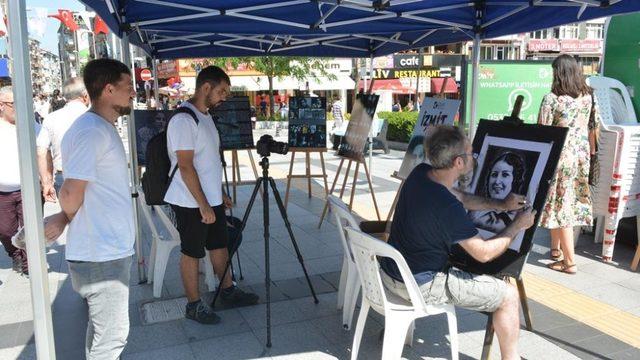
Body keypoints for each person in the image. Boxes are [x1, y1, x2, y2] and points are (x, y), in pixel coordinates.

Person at [380, 126, 535, 360]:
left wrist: (502, 205)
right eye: (471, 153)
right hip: (419, 283)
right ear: (458, 163)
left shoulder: (421, 173)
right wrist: (517, 225)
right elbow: (482, 253)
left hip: (389, 273)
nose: (475, 157)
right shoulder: (446, 207)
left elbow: (462, 197)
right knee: (509, 296)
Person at [44, 59, 137, 359]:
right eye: (128, 86)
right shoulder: (92, 131)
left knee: (101, 333)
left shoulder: (96, 127)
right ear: (109, 89)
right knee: (111, 339)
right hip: (102, 253)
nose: (134, 93)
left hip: (105, 249)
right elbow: (70, 192)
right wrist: (65, 215)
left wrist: (64, 217)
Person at [164, 65, 258, 324]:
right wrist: (203, 204)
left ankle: (228, 290)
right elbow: (185, 166)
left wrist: (219, 194)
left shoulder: (204, 116)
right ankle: (193, 305)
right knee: (192, 252)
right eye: (221, 91)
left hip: (210, 199)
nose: (224, 97)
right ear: (205, 87)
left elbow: (208, 163)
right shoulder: (184, 119)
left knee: (219, 245)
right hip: (190, 201)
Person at [537, 54, 597, 275]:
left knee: (561, 207)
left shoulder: (552, 99)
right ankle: (555, 251)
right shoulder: (588, 96)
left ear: (559, 73)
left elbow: (542, 130)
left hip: (560, 158)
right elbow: (593, 126)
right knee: (562, 203)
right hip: (581, 158)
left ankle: (570, 262)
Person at [0, 86, 41, 276]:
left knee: (30, 228)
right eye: (12, 104)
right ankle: (15, 252)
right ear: (1, 106)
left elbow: (43, 146)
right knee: (6, 231)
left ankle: (28, 264)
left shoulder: (29, 124)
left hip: (28, 188)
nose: (17, 107)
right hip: (3, 191)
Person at [36, 77, 90, 202]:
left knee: (72, 218)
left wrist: (46, 183)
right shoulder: (93, 117)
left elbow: (41, 152)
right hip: (91, 177)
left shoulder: (51, 118)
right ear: (85, 95)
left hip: (63, 176)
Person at [469, 151, 527, 233]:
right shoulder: (473, 215)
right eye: (494, 175)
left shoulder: (522, 217)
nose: (497, 181)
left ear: (516, 180)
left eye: (505, 175)